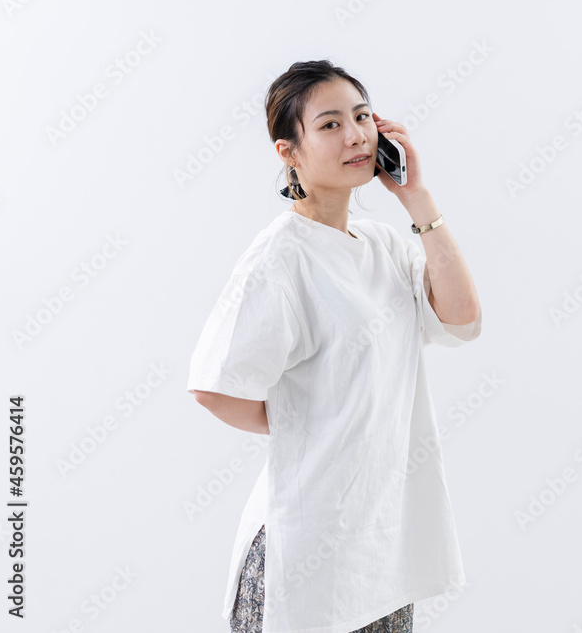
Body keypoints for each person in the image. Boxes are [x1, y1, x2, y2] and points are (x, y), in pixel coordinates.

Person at [185, 59, 482, 633]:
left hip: (385, 553)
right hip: (306, 557)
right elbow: (214, 388)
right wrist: (306, 421)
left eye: (363, 117)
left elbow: (462, 316)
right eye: (330, 124)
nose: (356, 135)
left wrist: (416, 197)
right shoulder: (281, 258)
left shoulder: (382, 244)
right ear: (288, 151)